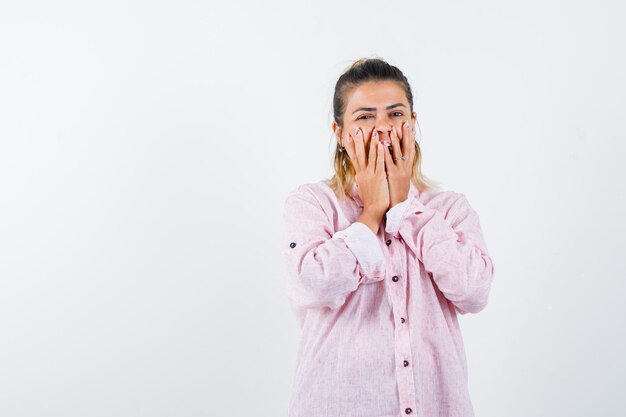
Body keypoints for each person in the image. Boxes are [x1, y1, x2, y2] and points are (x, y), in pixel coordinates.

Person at [281, 57, 495, 417]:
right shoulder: (313, 204)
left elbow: (474, 292)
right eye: (364, 117)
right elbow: (312, 284)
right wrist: (371, 213)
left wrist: (405, 210)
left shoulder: (448, 209)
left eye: (395, 114)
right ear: (339, 133)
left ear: (412, 123)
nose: (383, 127)